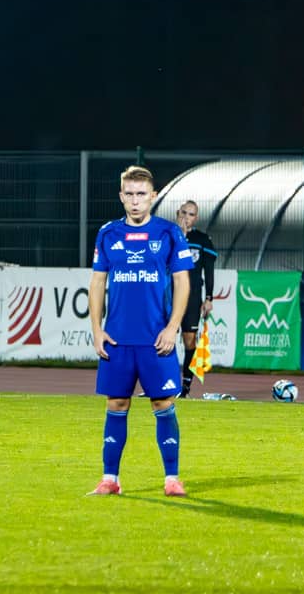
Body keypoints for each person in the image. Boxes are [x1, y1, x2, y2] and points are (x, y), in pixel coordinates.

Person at [88, 165, 194, 497]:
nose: (135, 201)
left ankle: (172, 478)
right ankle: (110, 479)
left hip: (155, 339)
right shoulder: (108, 234)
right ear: (121, 196)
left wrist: (172, 327)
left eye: (142, 194)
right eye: (130, 194)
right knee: (117, 404)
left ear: (153, 196)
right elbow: (97, 282)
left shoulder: (169, 233)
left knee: (162, 403)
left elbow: (182, 282)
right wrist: (97, 329)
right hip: (117, 339)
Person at [175, 200, 219, 398]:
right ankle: (162, 384)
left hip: (192, 296)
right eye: (184, 213)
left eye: (191, 214)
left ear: (196, 218)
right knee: (161, 339)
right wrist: (180, 237)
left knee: (190, 341)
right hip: (169, 295)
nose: (186, 217)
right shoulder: (168, 236)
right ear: (178, 213)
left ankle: (185, 387)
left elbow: (208, 271)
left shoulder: (202, 240)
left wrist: (209, 297)